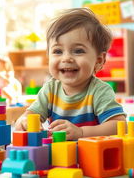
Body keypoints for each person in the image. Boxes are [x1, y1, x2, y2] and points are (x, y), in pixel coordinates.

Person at [15, 8, 126, 140]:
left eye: (78, 51)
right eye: (57, 51)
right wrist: (23, 121)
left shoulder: (99, 91)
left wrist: (81, 132)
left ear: (99, 60)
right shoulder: (50, 89)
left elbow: (120, 126)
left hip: (91, 155)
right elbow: (29, 115)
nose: (66, 58)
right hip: (59, 156)